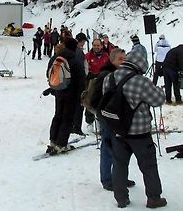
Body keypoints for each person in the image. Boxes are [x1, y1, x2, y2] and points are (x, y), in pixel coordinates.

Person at [102, 50, 166, 209]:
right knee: (148, 166)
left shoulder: (109, 78)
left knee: (119, 165)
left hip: (118, 130)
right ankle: (153, 198)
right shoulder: (140, 81)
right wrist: (158, 89)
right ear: (140, 64)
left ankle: (121, 198)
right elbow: (158, 100)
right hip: (140, 133)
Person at [89, 48, 135, 192]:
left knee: (120, 148)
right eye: (120, 59)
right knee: (108, 147)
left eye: (125, 59)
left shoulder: (120, 74)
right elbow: (96, 98)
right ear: (113, 60)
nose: (124, 62)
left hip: (118, 117)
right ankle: (107, 179)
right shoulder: (105, 75)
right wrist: (103, 113)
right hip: (107, 118)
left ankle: (119, 177)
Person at [46, 38, 86, 154]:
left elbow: (49, 72)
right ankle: (61, 144)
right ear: (75, 47)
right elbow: (81, 79)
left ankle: (53, 140)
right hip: (72, 94)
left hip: (59, 91)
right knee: (67, 118)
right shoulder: (75, 59)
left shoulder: (57, 57)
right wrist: (81, 94)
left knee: (57, 115)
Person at [71, 32, 88, 136]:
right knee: (79, 105)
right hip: (78, 83)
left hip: (71, 83)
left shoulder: (71, 50)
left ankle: (73, 125)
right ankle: (77, 127)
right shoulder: (79, 52)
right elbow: (81, 69)